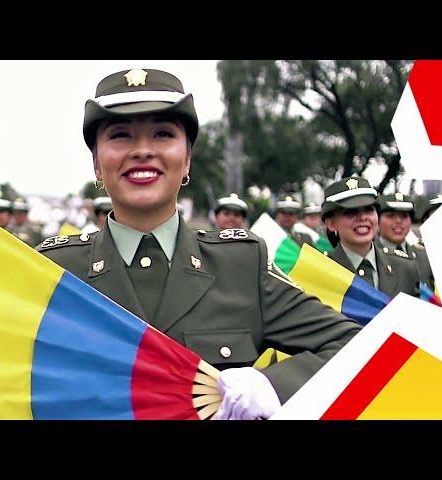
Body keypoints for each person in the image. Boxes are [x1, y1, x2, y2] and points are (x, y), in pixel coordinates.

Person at [36, 68, 361, 420]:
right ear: (97, 163)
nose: (143, 150)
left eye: (162, 134)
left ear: (187, 158)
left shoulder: (241, 265)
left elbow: (356, 348)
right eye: (120, 136)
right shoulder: (54, 271)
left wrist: (271, 386)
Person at [322, 177, 420, 299]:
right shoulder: (320, 270)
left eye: (369, 209)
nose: (363, 217)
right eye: (351, 211)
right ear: (331, 224)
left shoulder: (404, 267)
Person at [378, 193, 435, 291]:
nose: (398, 221)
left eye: (404, 216)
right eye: (391, 216)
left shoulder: (424, 256)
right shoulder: (370, 256)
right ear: (377, 220)